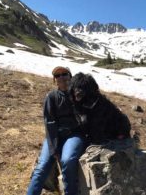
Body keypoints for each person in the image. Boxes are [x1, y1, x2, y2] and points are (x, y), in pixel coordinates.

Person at [27, 66, 86, 195]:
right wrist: (54, 148)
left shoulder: (79, 95)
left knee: (68, 160)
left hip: (74, 135)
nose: (61, 77)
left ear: (71, 76)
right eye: (57, 76)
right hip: (55, 135)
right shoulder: (51, 97)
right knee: (41, 167)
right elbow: (49, 123)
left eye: (64, 74)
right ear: (54, 80)